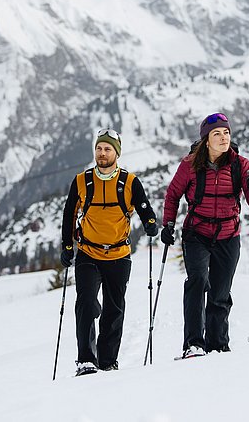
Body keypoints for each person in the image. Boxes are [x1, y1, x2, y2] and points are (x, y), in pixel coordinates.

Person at [161, 112, 249, 358]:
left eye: (226, 133)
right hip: (197, 233)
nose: (223, 138)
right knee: (197, 282)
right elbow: (173, 195)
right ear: (206, 140)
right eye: (217, 134)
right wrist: (168, 224)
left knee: (220, 292)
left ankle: (218, 345)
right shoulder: (189, 165)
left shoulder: (241, 164)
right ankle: (194, 345)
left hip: (229, 235)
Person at [60, 128, 158, 376]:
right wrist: (67, 245)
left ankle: (108, 360)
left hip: (118, 255)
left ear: (117, 153)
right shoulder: (82, 180)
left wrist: (150, 223)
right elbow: (69, 213)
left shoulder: (130, 182)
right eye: (99, 148)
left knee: (114, 309)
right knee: (85, 303)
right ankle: (86, 360)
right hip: (88, 253)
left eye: (107, 149)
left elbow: (144, 207)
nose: (102, 153)